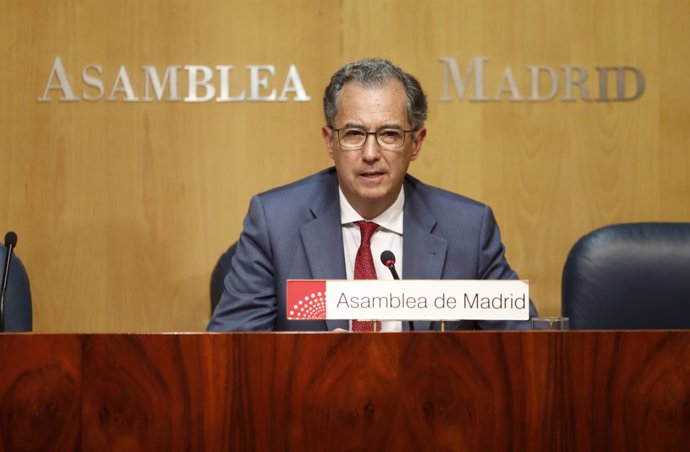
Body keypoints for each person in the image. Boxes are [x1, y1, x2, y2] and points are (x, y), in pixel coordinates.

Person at [208, 58, 538, 332]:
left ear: (416, 143)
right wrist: (309, 366)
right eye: (354, 133)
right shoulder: (275, 224)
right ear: (329, 141)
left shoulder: (468, 229)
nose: (370, 153)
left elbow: (528, 348)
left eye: (389, 134)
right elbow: (230, 354)